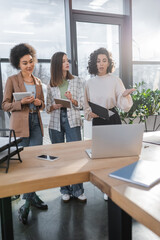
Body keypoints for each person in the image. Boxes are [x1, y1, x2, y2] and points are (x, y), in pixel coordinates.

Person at [2, 43, 48, 224]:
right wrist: (21, 103)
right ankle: (31, 200)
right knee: (23, 165)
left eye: (31, 61)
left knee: (35, 164)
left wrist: (38, 103)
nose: (29, 65)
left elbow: (42, 104)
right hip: (21, 126)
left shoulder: (37, 81)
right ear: (17, 64)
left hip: (36, 124)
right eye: (24, 63)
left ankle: (28, 202)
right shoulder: (12, 80)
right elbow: (5, 105)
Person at [84, 47, 135, 200]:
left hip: (112, 117)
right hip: (98, 120)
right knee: (101, 156)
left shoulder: (115, 80)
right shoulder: (89, 83)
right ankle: (106, 187)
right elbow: (85, 105)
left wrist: (124, 95)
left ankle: (116, 185)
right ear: (94, 63)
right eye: (98, 61)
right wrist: (89, 113)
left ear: (108, 63)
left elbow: (123, 104)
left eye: (104, 60)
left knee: (116, 154)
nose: (101, 64)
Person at [46, 51, 87, 202]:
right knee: (60, 157)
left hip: (72, 119)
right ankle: (65, 189)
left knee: (76, 155)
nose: (67, 63)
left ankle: (78, 190)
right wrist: (54, 106)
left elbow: (81, 104)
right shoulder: (51, 83)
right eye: (63, 61)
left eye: (67, 60)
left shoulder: (77, 81)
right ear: (57, 64)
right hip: (56, 121)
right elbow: (47, 108)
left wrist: (71, 99)